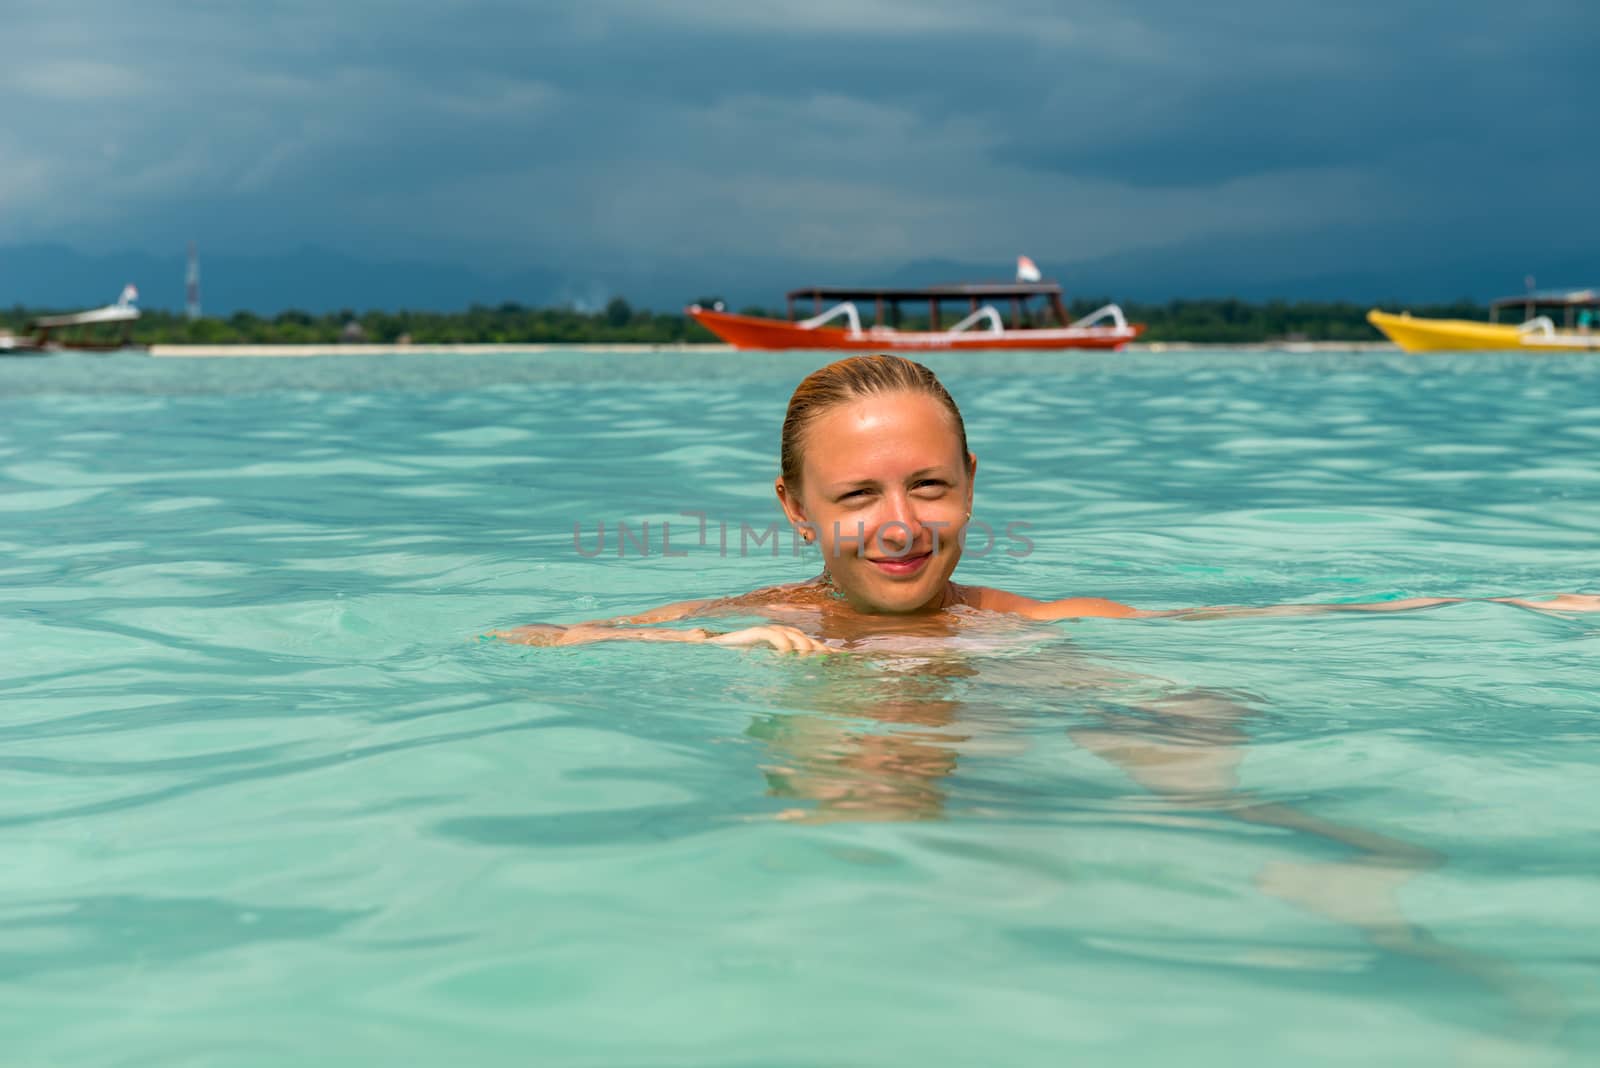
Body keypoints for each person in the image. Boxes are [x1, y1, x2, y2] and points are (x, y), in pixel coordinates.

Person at [493, 354, 1598, 651]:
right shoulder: (762, 624)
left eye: (928, 484)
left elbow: (1270, 620)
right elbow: (534, 637)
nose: (897, 522)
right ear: (793, 509)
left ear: (971, 488)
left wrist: (1526, 606)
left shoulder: (1016, 623)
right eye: (856, 493)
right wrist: (718, 648)